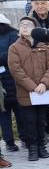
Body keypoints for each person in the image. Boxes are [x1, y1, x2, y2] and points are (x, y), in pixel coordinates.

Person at [8, 16, 49, 161]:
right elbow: (16, 70)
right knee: (29, 121)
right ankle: (32, 148)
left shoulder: (43, 46)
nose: (24, 27)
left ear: (35, 28)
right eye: (22, 24)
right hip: (26, 92)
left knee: (41, 120)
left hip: (43, 91)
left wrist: (44, 83)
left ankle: (42, 146)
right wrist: (33, 87)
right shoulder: (14, 48)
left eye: (28, 25)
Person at [0, 14, 21, 152]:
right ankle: (9, 141)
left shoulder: (13, 35)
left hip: (13, 77)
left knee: (20, 111)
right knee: (3, 112)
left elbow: (11, 54)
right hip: (3, 80)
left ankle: (24, 138)